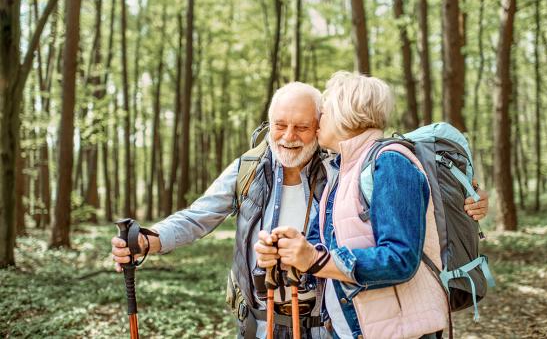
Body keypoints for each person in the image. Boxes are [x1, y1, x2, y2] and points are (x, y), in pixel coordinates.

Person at [112, 80, 489, 339]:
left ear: (322, 125)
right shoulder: (250, 169)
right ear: (268, 124)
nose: (289, 137)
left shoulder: (342, 167)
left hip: (330, 321)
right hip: (261, 321)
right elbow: (198, 216)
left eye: (302, 127)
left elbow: (400, 195)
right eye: (280, 126)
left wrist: (466, 199)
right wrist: (151, 240)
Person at [255, 71, 487, 339]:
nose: (318, 121)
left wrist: (315, 258)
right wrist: (287, 252)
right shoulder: (340, 172)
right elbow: (321, 250)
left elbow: (400, 259)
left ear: (346, 115)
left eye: (325, 112)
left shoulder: (390, 163)